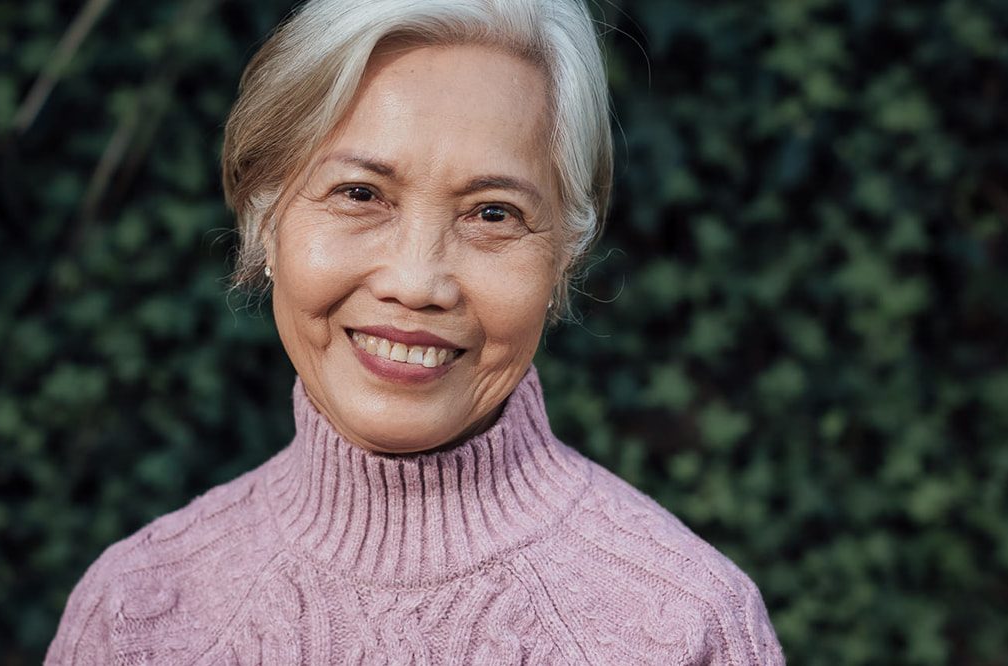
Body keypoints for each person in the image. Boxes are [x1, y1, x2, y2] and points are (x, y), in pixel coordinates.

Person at [45, 0, 783, 662]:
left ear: (564, 256)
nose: (415, 281)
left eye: (493, 213)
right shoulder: (132, 615)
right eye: (360, 194)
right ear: (266, 221)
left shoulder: (691, 625)